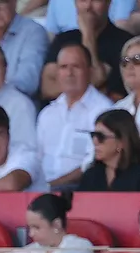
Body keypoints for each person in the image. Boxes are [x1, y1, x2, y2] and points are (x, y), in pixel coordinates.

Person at [35, 44, 112, 189]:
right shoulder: (47, 113)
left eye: (76, 66)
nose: (69, 73)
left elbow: (93, 163)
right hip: (42, 190)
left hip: (79, 190)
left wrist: (51, 186)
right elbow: (36, 159)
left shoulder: (103, 110)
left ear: (90, 71)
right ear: (57, 73)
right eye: (63, 67)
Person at [41, 0, 131, 101]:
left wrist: (88, 35)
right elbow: (47, 88)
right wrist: (92, 82)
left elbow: (116, 97)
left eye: (95, 1)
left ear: (109, 3)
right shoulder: (63, 39)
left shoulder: (125, 43)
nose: (88, 6)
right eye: (83, 0)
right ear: (75, 3)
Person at [78, 107, 140, 190]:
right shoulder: (91, 175)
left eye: (101, 137)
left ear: (122, 141)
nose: (94, 141)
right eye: (93, 135)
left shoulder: (137, 175)